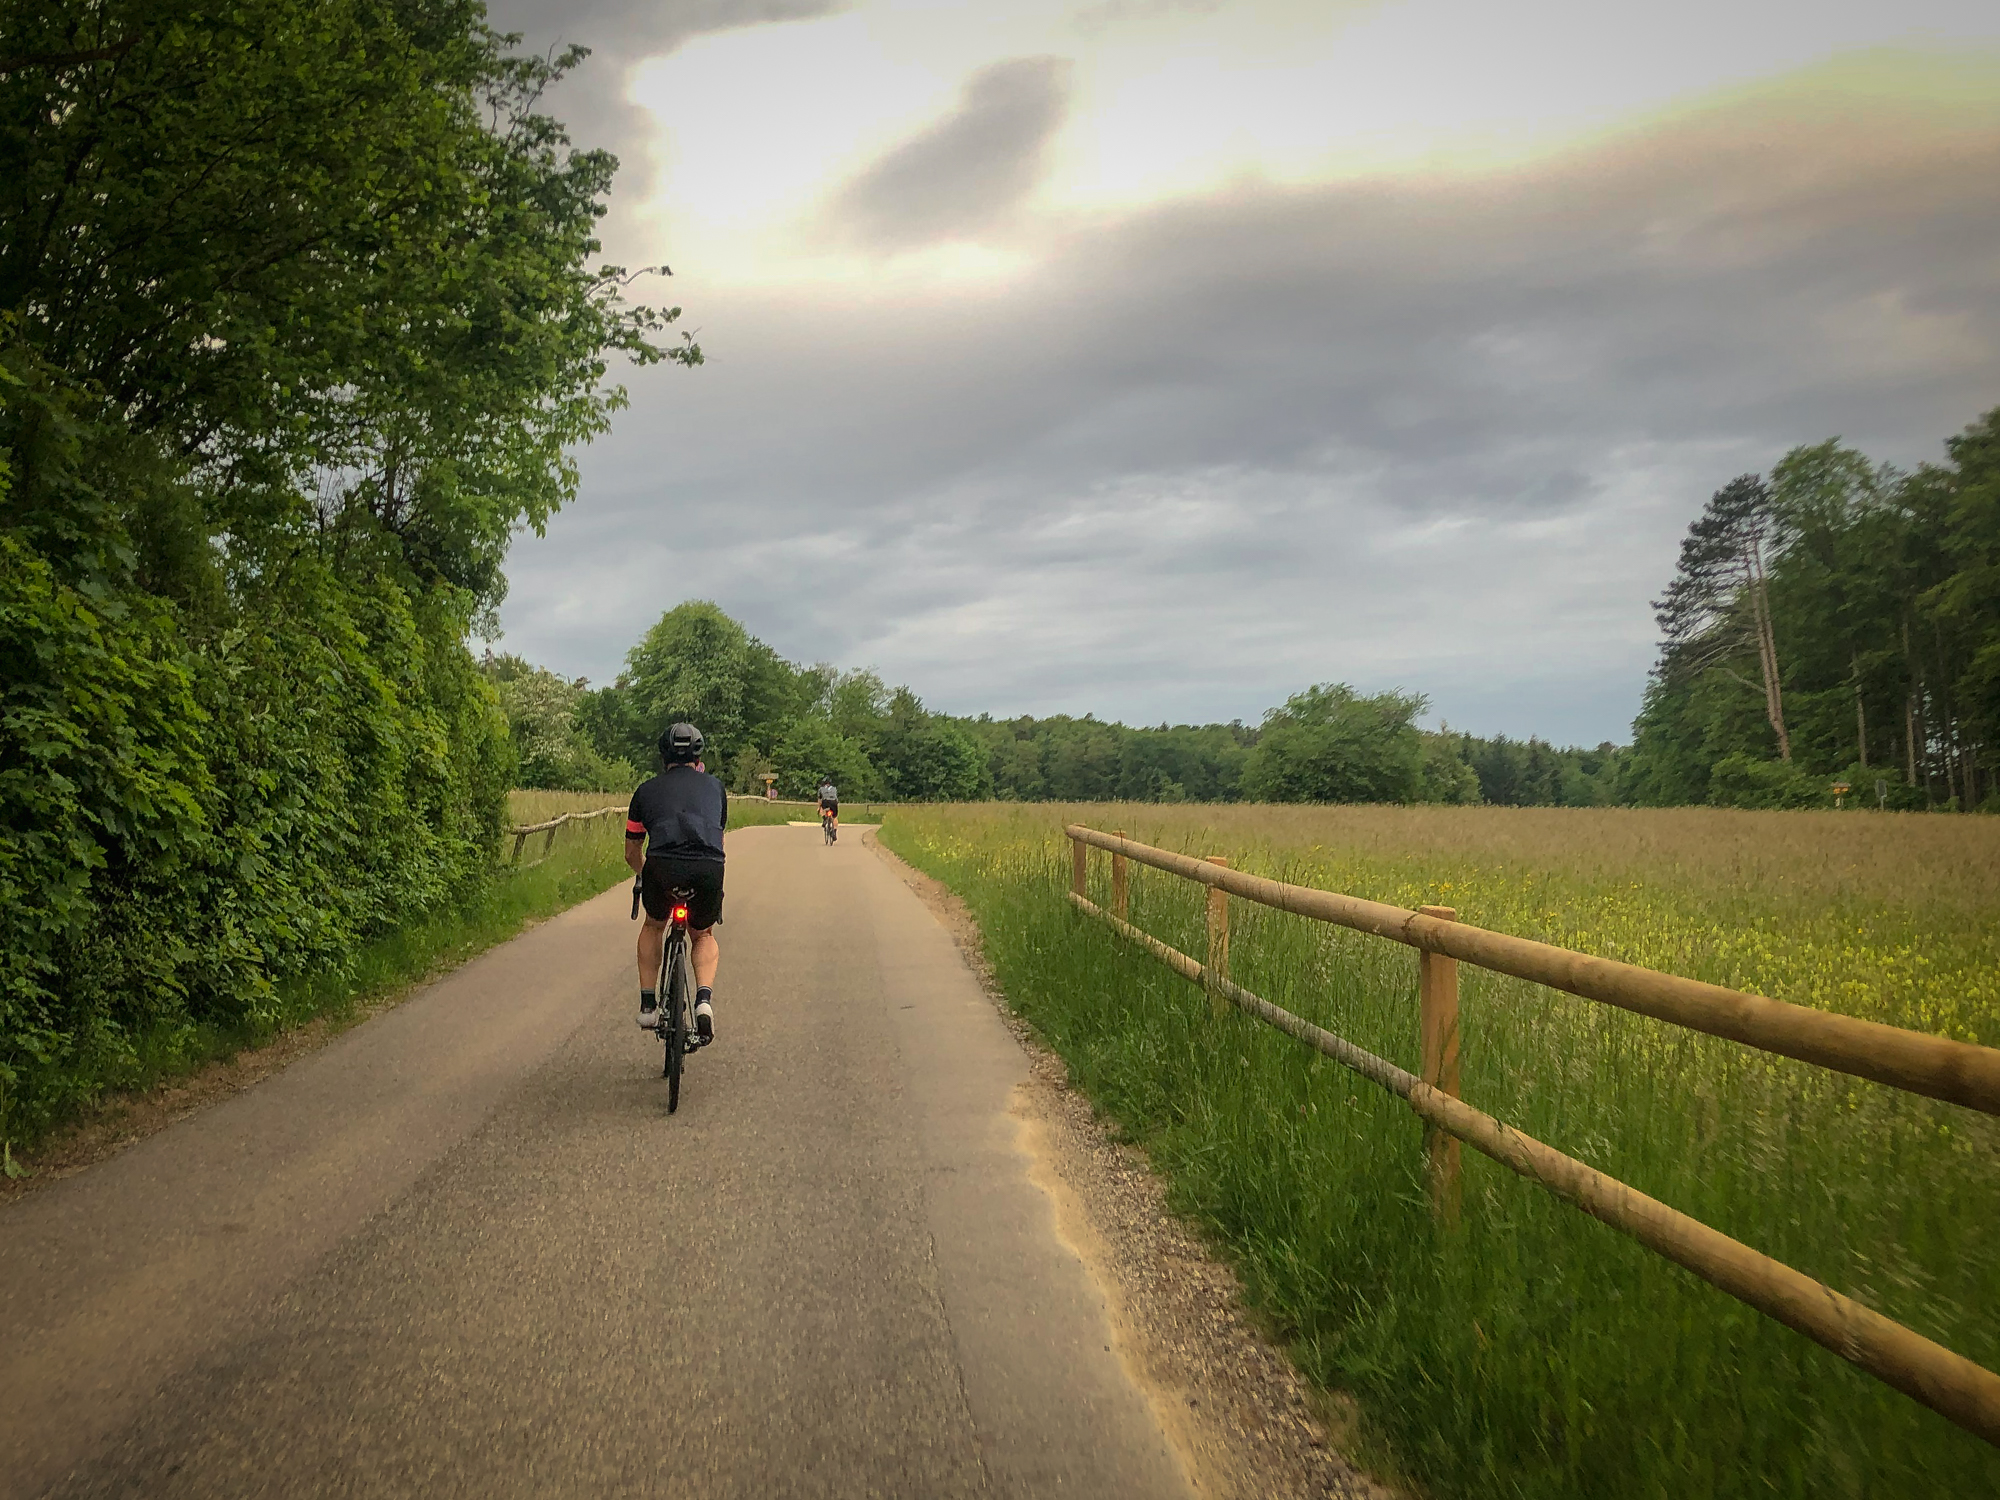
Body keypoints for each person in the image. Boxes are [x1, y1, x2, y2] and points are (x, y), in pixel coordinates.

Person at [625, 722, 726, 1040]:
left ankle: (647, 1006)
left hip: (662, 866)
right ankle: (704, 1002)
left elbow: (631, 852)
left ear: (663, 756)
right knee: (702, 934)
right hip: (707, 867)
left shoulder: (645, 791)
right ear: (698, 757)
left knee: (654, 925)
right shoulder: (715, 787)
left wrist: (645, 875)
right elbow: (717, 836)